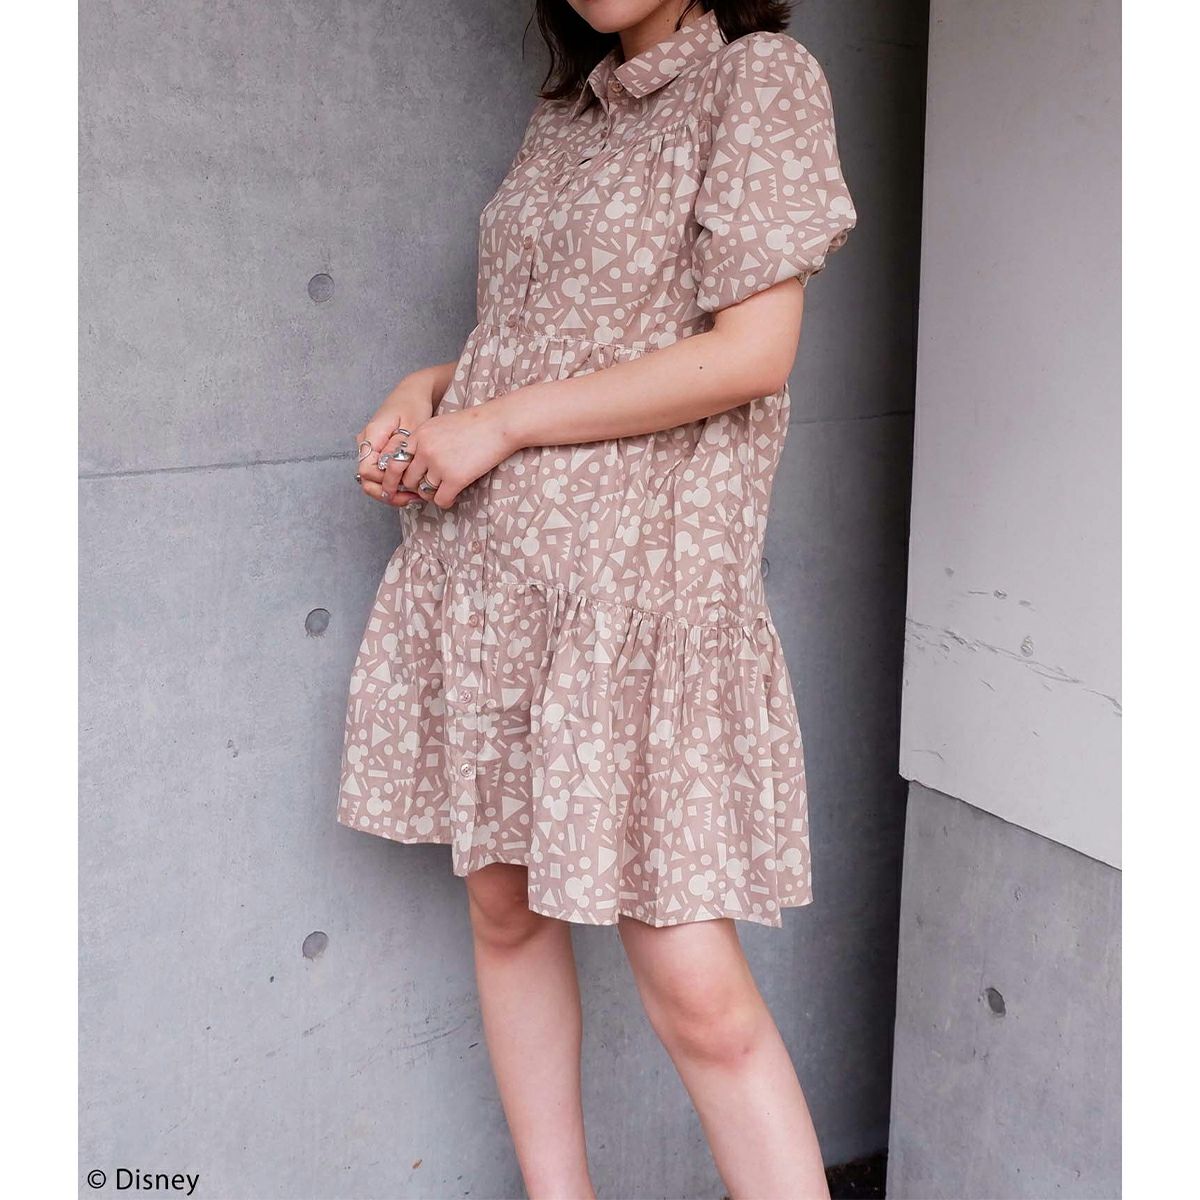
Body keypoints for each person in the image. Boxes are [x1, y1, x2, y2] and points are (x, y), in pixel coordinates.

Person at [339, 2, 855, 1195]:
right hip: (496, 580)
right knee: (505, 911)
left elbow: (751, 353)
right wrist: (428, 392)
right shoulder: (565, 115)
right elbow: (545, 340)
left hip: (639, 603)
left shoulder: (758, 79)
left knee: (697, 992)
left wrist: (499, 424)